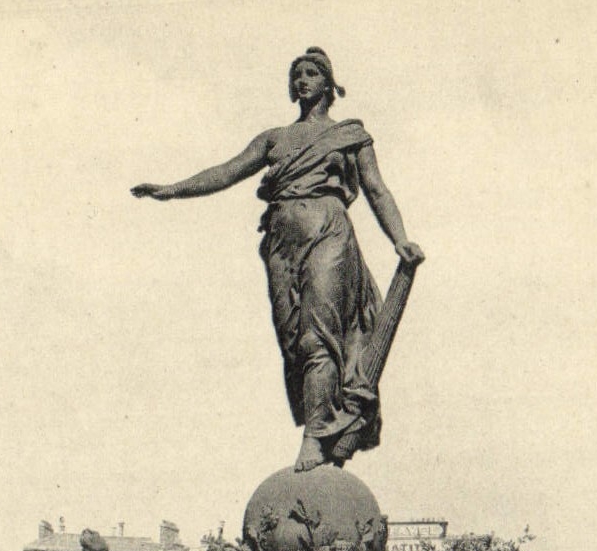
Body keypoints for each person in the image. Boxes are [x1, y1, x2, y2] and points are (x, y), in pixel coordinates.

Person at [131, 48, 424, 471]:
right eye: (296, 75)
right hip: (282, 242)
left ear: (328, 83)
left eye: (310, 73)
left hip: (328, 231)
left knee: (316, 334)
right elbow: (227, 171)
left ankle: (317, 435)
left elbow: (376, 189)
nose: (301, 81)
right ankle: (322, 424)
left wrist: (400, 239)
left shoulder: (349, 134)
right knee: (293, 340)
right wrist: (173, 189)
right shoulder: (275, 139)